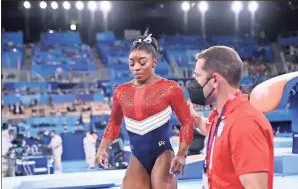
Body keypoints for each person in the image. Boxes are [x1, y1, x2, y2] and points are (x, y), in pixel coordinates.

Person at [96, 33, 193, 189]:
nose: (136, 68)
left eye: (142, 62)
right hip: (138, 157)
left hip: (163, 154)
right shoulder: (121, 91)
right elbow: (114, 122)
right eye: (131, 63)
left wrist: (181, 155)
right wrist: (102, 148)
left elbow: (187, 122)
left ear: (154, 61)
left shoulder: (170, 88)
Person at [187, 46, 274, 189]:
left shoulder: (244, 123)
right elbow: (209, 129)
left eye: (197, 76)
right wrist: (194, 118)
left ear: (214, 79)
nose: (194, 83)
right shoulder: (221, 116)